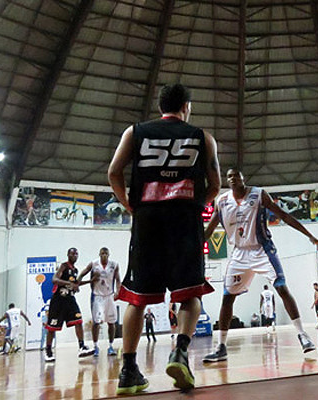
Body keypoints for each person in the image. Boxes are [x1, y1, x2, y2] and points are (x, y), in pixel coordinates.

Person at [108, 83, 221, 394]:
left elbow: (114, 172)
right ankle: (180, 352)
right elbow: (215, 185)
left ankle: (129, 370)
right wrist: (195, 204)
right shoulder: (203, 138)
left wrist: (129, 204)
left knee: (137, 297)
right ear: (186, 106)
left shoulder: (135, 132)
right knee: (190, 293)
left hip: (147, 220)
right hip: (185, 220)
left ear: (160, 107)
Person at [202, 168, 318, 364]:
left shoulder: (258, 194)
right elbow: (209, 230)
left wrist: (310, 236)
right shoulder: (222, 201)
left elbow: (284, 215)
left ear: (243, 178)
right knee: (227, 298)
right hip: (239, 253)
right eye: (229, 176)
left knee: (282, 288)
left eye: (236, 175)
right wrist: (190, 247)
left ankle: (302, 335)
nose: (233, 178)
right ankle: (221, 347)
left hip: (262, 250)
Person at [44, 248, 95, 362]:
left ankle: (81, 346)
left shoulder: (75, 270)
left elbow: (76, 284)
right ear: (68, 255)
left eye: (76, 254)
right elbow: (54, 279)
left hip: (70, 299)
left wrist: (90, 281)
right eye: (72, 253)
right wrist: (69, 283)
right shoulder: (64, 266)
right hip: (58, 300)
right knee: (52, 327)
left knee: (78, 321)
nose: (75, 256)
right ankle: (48, 351)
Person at [77, 247, 121, 357]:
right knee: (96, 322)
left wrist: (118, 291)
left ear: (109, 255)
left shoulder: (114, 265)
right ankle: (95, 346)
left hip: (109, 295)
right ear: (99, 254)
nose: (104, 255)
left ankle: (111, 346)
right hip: (97, 296)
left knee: (111, 322)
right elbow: (82, 273)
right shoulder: (93, 264)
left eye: (106, 253)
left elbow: (118, 280)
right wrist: (77, 282)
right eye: (102, 253)